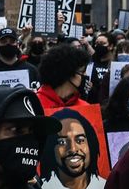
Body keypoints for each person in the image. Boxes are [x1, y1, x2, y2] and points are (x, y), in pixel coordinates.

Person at [35, 46, 110, 178]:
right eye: (82, 72)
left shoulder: (85, 108)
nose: (86, 76)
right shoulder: (34, 105)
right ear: (66, 74)